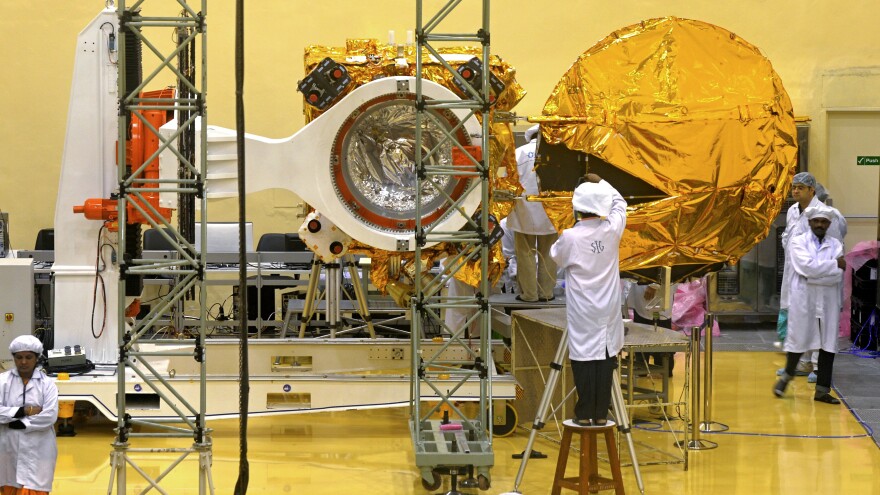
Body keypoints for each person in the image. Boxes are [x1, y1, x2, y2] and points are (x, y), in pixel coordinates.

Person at [550, 173, 627, 426]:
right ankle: (601, 412)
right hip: (608, 306)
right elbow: (620, 203)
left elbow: (556, 257)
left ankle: (584, 413)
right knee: (606, 355)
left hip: (583, 307)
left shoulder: (571, 236)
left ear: (577, 208)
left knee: (583, 355)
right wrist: (602, 182)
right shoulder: (612, 230)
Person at [776, 173, 847, 383]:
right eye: (793, 187)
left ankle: (817, 367)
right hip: (795, 275)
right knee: (800, 320)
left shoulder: (825, 215)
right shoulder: (792, 211)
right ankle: (804, 362)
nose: (795, 191)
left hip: (819, 280)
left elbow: (832, 246)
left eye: (800, 187)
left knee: (819, 321)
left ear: (811, 190)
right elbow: (788, 236)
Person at [0, 335, 58, 494]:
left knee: (36, 488)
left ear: (37, 358)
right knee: (9, 486)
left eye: (28, 357)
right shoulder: (2, 381)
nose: (23, 362)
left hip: (39, 448)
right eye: (19, 357)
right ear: (13, 358)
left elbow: (49, 415)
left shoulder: (47, 384)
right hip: (8, 447)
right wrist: (25, 411)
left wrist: (17, 422)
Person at [507, 125, 558, 303]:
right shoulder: (557, 153)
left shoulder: (519, 152)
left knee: (525, 253)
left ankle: (529, 294)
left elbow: (509, 180)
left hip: (523, 209)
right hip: (549, 209)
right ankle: (546, 293)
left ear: (530, 137)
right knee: (549, 253)